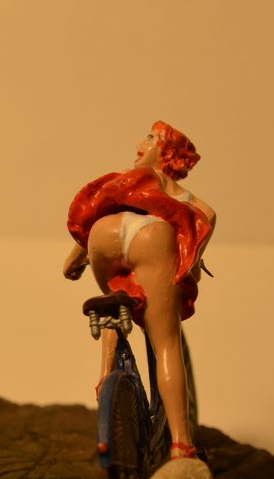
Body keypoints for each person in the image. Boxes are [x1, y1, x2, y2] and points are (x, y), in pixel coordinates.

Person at [63, 121, 216, 459]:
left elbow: (96, 210)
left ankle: (105, 376)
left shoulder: (129, 179)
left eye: (149, 138)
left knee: (115, 300)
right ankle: (181, 444)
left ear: (165, 152)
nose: (140, 144)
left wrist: (73, 260)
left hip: (104, 234)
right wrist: (192, 264)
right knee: (167, 344)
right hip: (151, 239)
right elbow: (203, 225)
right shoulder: (185, 197)